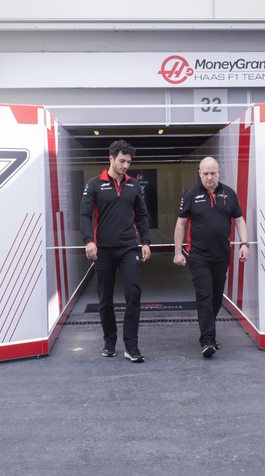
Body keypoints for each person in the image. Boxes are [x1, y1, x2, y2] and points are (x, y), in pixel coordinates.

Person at [80, 140, 152, 363]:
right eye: (122, 161)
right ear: (110, 158)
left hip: (129, 247)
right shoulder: (94, 184)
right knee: (105, 298)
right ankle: (109, 341)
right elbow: (84, 215)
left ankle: (131, 346)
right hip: (103, 250)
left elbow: (142, 215)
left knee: (134, 294)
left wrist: (146, 241)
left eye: (128, 162)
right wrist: (88, 241)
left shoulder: (133, 185)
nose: (125, 165)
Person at [173, 156, 248, 358]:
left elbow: (239, 220)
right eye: (205, 173)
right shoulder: (191, 195)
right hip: (199, 256)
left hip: (221, 256)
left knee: (215, 298)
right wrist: (178, 252)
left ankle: (209, 333)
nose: (209, 177)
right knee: (205, 296)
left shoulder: (229, 194)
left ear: (219, 173)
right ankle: (207, 340)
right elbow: (181, 224)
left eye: (213, 173)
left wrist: (244, 244)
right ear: (199, 173)